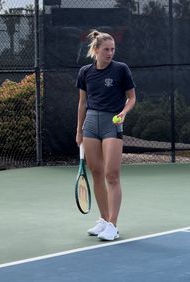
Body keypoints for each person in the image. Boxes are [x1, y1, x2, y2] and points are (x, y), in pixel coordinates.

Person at [76, 30, 136, 241]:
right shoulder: (85, 72)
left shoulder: (121, 69)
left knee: (112, 174)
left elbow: (131, 98)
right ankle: (103, 220)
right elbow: (82, 103)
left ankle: (113, 225)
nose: (110, 53)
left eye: (112, 49)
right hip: (91, 124)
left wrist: (123, 112)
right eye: (106, 49)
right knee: (96, 173)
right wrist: (79, 130)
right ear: (96, 50)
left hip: (112, 124)